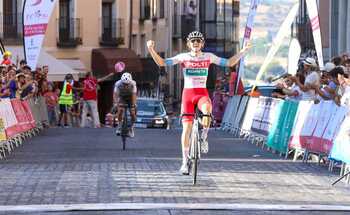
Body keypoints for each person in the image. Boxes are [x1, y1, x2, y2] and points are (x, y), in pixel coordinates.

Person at [147, 31, 251, 175]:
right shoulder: (183, 57)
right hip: (188, 95)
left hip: (201, 93)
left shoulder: (208, 57)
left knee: (207, 109)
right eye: (193, 42)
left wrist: (243, 52)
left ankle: (203, 137)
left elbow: (229, 63)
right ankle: (184, 162)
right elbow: (162, 63)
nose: (195, 44)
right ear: (189, 44)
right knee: (186, 129)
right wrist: (151, 50)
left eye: (198, 42)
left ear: (202, 44)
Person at [113, 72, 137, 137]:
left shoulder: (133, 83)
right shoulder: (118, 84)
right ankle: (119, 125)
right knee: (120, 110)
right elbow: (115, 94)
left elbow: (134, 95)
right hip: (122, 97)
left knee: (132, 112)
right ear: (121, 81)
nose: (125, 86)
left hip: (130, 97)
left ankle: (131, 128)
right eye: (124, 84)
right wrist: (115, 103)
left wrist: (134, 104)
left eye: (127, 84)